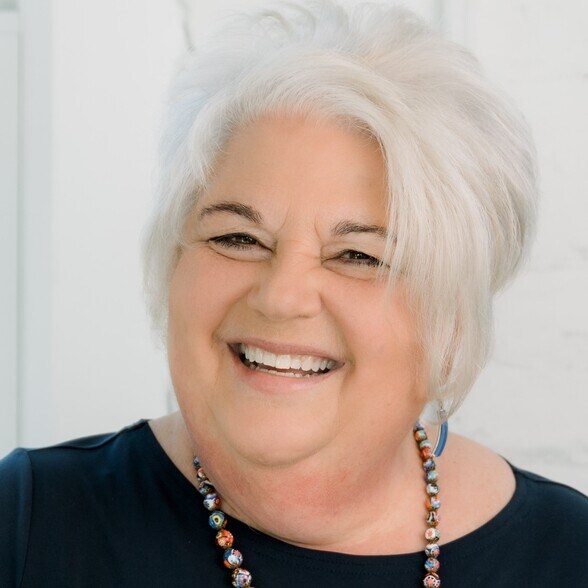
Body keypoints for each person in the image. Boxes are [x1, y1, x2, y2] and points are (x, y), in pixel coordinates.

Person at [1, 1, 586, 586]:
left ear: (453, 317)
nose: (282, 297)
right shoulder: (27, 526)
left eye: (358, 255)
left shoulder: (568, 554)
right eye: (237, 237)